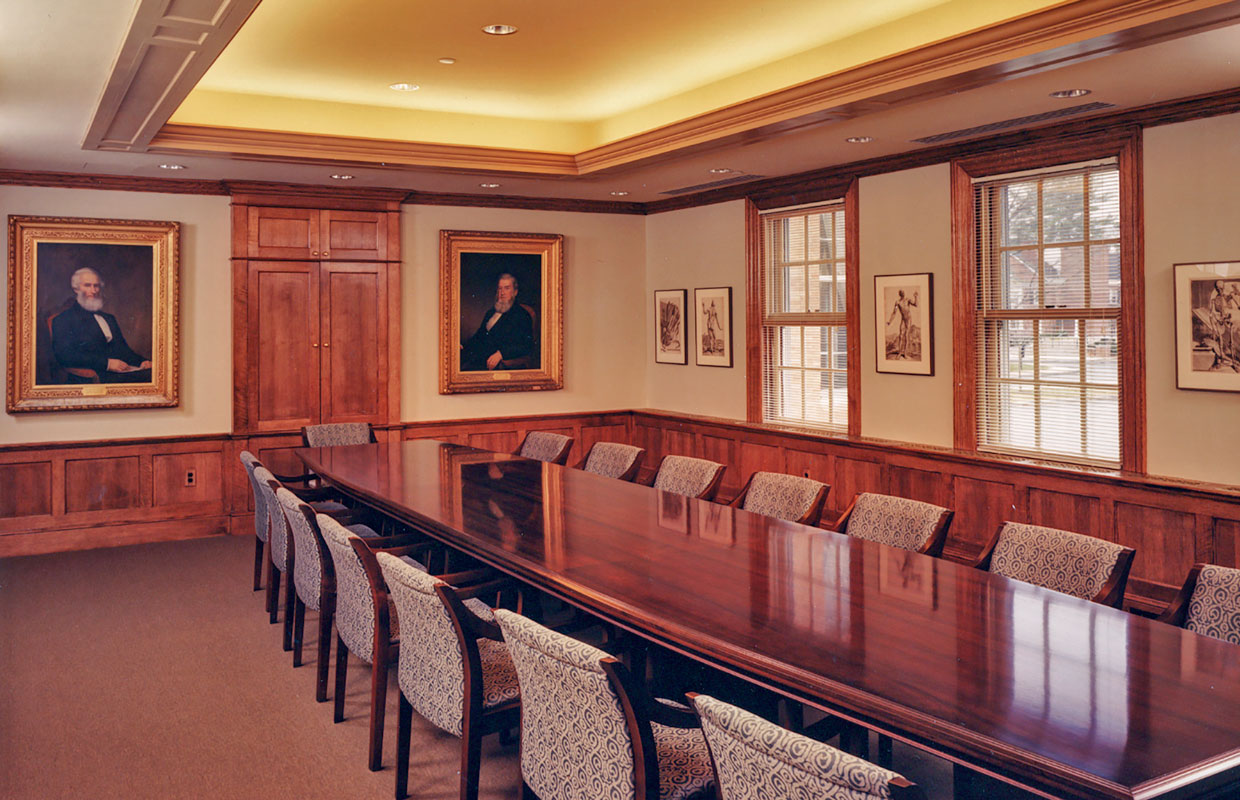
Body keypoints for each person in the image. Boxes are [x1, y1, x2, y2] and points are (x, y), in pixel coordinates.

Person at [50, 267, 151, 383]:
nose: (94, 290)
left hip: (120, 373)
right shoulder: (63, 319)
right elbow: (65, 356)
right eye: (87, 285)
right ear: (76, 289)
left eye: (96, 286)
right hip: (92, 379)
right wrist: (107, 363)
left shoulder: (109, 318)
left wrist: (142, 362)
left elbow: (124, 350)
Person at [460, 272, 535, 371]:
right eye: (500, 288)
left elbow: (526, 345)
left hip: (495, 365)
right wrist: (463, 346)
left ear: (515, 292)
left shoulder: (522, 315)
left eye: (507, 288)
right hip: (477, 358)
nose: (502, 292)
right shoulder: (491, 312)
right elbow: (479, 336)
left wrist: (501, 353)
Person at [886, 288, 919, 359]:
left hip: (908, 319)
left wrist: (916, 297)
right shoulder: (897, 302)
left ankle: (905, 353)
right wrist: (890, 321)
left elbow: (916, 305)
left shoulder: (908, 300)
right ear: (900, 294)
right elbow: (894, 313)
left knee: (906, 335)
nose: (903, 293)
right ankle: (900, 352)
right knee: (901, 336)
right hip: (903, 320)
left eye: (903, 292)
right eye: (901, 292)